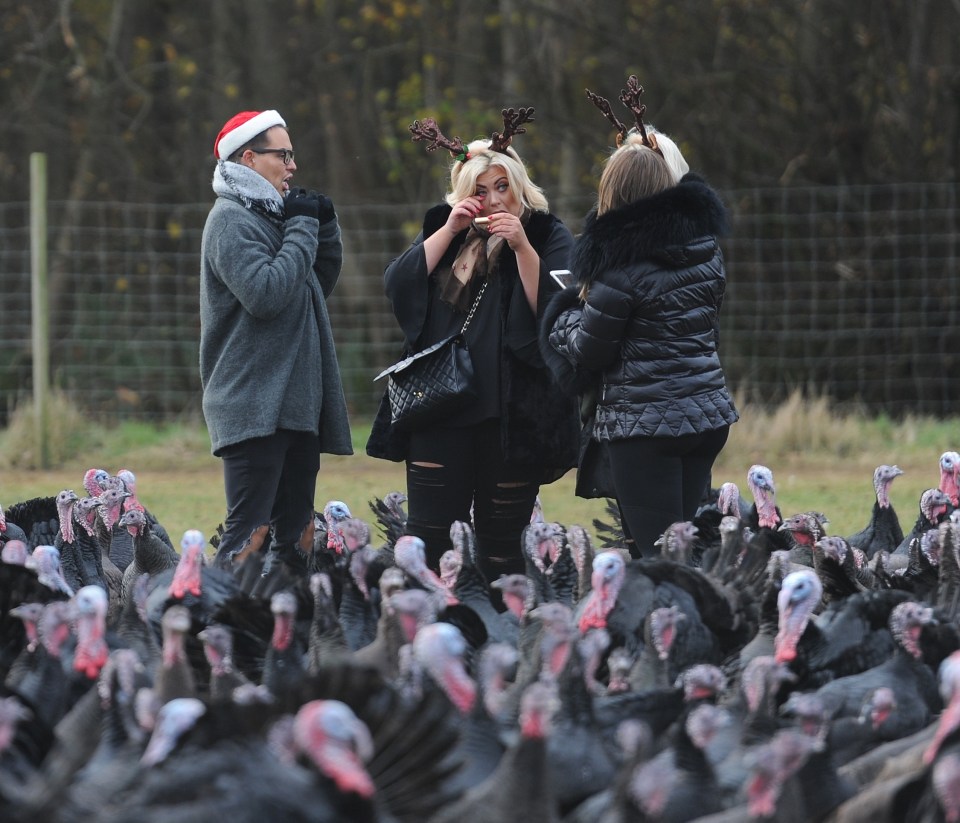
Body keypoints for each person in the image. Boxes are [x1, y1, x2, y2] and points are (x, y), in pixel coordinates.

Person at [366, 108, 580, 583]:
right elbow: (399, 285)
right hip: (437, 409)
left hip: (513, 417)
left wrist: (523, 247)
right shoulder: (445, 227)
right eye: (480, 190)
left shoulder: (547, 232)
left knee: (502, 551)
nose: (493, 200)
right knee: (429, 538)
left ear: (519, 186)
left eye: (503, 187)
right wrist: (450, 230)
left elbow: (556, 309)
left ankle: (499, 639)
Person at [541, 80, 738, 558]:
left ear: (614, 194)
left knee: (658, 558)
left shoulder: (618, 268)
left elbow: (590, 349)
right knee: (687, 549)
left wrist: (563, 314)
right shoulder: (705, 250)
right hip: (706, 415)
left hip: (647, 425)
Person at [200, 109, 353, 572]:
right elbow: (267, 295)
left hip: (293, 404)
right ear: (249, 158)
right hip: (252, 405)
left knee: (296, 537)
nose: (292, 166)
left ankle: (287, 636)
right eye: (282, 155)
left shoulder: (272, 218)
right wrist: (302, 228)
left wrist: (323, 230)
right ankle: (218, 633)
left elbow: (310, 290)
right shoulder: (230, 220)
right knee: (249, 536)